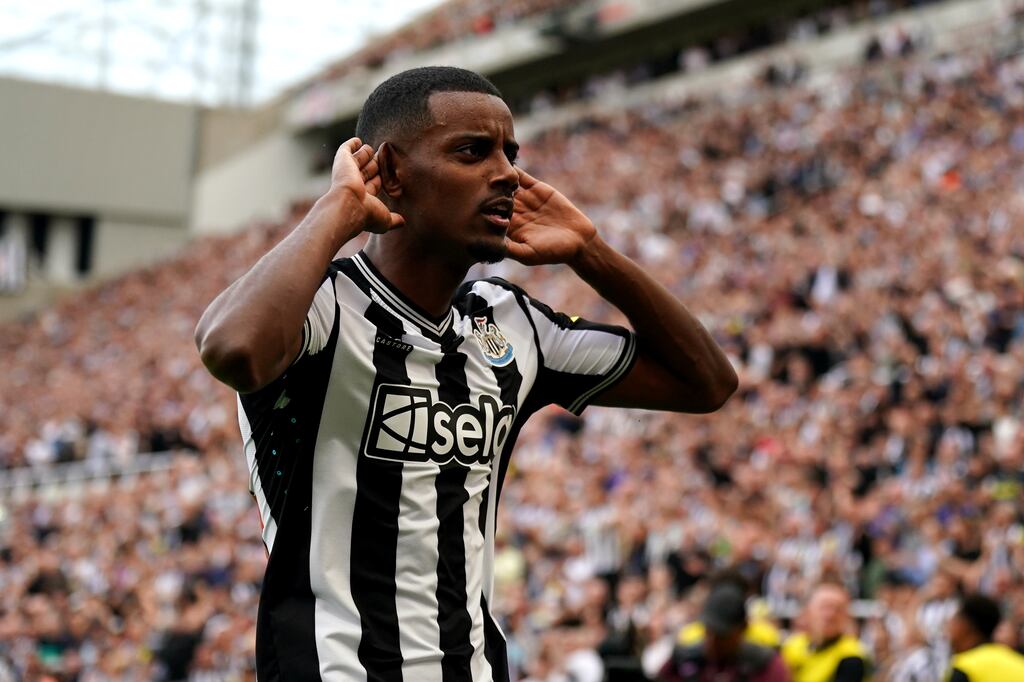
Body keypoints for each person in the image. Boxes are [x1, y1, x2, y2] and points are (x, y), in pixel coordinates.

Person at [194, 66, 737, 681]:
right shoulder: (319, 308)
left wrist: (592, 253)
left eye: (510, 152)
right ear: (391, 172)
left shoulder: (512, 326)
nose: (506, 172)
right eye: (473, 152)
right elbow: (233, 348)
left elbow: (707, 382)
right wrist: (340, 205)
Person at [659, 584, 790, 681]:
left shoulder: (765, 665)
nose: (712, 641)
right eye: (708, 632)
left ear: (742, 629)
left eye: (721, 635)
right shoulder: (684, 659)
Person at [781, 584, 870, 682]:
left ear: (846, 616)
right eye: (824, 607)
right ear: (808, 612)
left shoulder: (852, 655)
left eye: (837, 609)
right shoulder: (793, 645)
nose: (830, 615)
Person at [946, 593, 1024, 682]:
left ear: (966, 625)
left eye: (955, 620)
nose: (948, 626)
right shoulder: (1020, 662)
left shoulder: (965, 667)